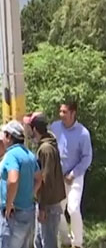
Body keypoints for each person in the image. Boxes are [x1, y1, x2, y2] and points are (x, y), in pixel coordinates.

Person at [51, 100, 92, 248]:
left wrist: (73, 174)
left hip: (75, 176)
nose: (61, 114)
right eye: (60, 111)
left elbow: (87, 157)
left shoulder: (83, 133)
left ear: (73, 113)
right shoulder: (55, 127)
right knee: (57, 209)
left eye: (64, 112)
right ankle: (66, 241)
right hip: (58, 176)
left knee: (73, 208)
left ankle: (77, 243)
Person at [23, 112, 65, 248]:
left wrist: (42, 207)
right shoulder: (46, 146)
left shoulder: (46, 149)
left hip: (48, 206)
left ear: (35, 129)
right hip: (46, 204)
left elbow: (46, 181)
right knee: (39, 243)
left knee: (48, 243)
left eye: (29, 128)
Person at [0, 120, 42, 248]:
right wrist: (30, 194)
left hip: (14, 213)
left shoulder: (11, 155)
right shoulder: (30, 155)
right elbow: (39, 178)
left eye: (4, 135)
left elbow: (13, 180)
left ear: (9, 137)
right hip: (28, 210)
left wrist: (9, 204)